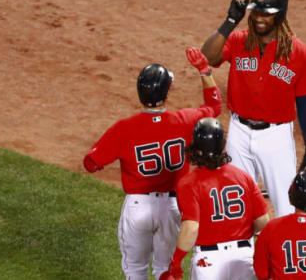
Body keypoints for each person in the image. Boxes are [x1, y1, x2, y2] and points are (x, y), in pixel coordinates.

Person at [83, 47, 222, 280]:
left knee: (135, 270)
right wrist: (204, 70)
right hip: (172, 207)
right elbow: (215, 106)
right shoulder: (185, 120)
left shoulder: (123, 129)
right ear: (166, 93)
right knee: (164, 271)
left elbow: (91, 163)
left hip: (138, 208)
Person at [200, 0, 306, 217]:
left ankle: (282, 252)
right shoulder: (239, 41)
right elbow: (208, 56)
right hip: (238, 131)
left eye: (266, 14)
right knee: (236, 204)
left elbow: (305, 105)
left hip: (276, 138)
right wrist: (229, 23)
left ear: (280, 16)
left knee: (287, 208)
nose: (259, 18)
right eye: (256, 12)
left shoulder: (300, 53)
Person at [160, 117, 270, 280]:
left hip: (208, 263)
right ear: (222, 145)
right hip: (244, 258)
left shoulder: (188, 183)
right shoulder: (243, 177)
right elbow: (263, 221)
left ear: (195, 147)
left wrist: (176, 261)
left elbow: (191, 228)